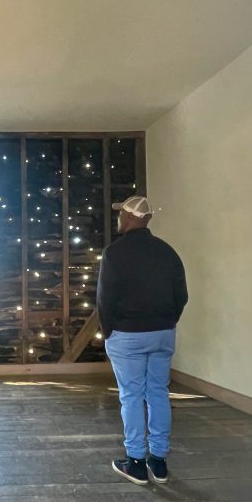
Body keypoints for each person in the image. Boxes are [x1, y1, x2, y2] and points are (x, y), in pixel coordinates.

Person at [97, 196, 187, 485]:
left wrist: (109, 331)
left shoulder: (115, 253)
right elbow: (181, 295)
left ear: (128, 217)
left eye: (120, 213)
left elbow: (105, 299)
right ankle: (158, 462)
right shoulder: (167, 252)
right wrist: (167, 321)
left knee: (131, 396)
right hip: (162, 333)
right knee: (158, 393)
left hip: (127, 335)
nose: (119, 218)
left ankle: (135, 461)